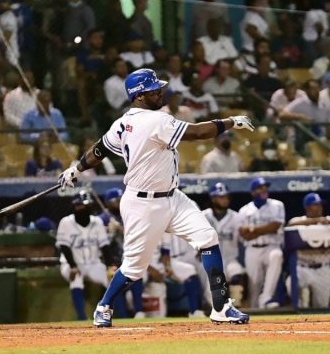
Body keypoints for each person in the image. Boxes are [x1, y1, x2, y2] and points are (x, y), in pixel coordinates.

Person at [58, 67, 254, 327]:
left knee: (208, 238)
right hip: (143, 204)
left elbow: (99, 150)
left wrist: (76, 168)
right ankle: (104, 306)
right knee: (134, 268)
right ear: (139, 96)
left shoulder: (123, 122)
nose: (160, 92)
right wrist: (231, 122)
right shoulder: (155, 120)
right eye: (153, 89)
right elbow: (196, 133)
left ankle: (221, 306)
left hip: (173, 197)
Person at [56, 190, 112, 320]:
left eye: (84, 205)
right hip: (71, 264)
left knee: (113, 280)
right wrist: (73, 266)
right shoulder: (66, 222)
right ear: (75, 206)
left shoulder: (97, 222)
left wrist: (110, 266)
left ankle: (123, 316)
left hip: (93, 264)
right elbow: (63, 246)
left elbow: (105, 246)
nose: (82, 208)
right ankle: (82, 319)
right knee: (76, 278)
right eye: (79, 205)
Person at [238, 177, 285, 308]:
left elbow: (275, 226)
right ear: (253, 192)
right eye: (260, 188)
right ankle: (255, 310)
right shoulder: (244, 210)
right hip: (252, 249)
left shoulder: (277, 205)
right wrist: (265, 229)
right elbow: (244, 235)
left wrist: (253, 229)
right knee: (254, 285)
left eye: (266, 187)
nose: (264, 190)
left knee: (277, 256)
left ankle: (266, 297)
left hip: (271, 246)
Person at [99, 187, 145, 319]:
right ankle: (123, 315)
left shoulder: (126, 215)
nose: (119, 202)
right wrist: (109, 232)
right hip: (109, 262)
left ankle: (139, 312)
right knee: (115, 282)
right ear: (107, 202)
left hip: (126, 257)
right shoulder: (102, 219)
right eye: (115, 200)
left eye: (120, 199)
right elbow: (102, 244)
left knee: (137, 276)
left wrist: (121, 229)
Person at [203, 183, 247, 306]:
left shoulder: (236, 217)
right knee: (213, 297)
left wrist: (246, 233)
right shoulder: (203, 216)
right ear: (213, 198)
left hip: (230, 259)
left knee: (237, 275)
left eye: (226, 197)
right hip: (210, 260)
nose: (225, 200)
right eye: (220, 197)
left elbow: (244, 240)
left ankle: (235, 306)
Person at [286, 193, 330, 308]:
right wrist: (317, 220)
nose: (320, 207)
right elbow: (291, 224)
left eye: (320, 204)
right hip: (302, 268)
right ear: (308, 207)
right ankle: (300, 310)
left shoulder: (327, 221)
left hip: (323, 268)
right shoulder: (299, 221)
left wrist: (323, 221)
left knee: (322, 305)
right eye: (316, 204)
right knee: (290, 283)